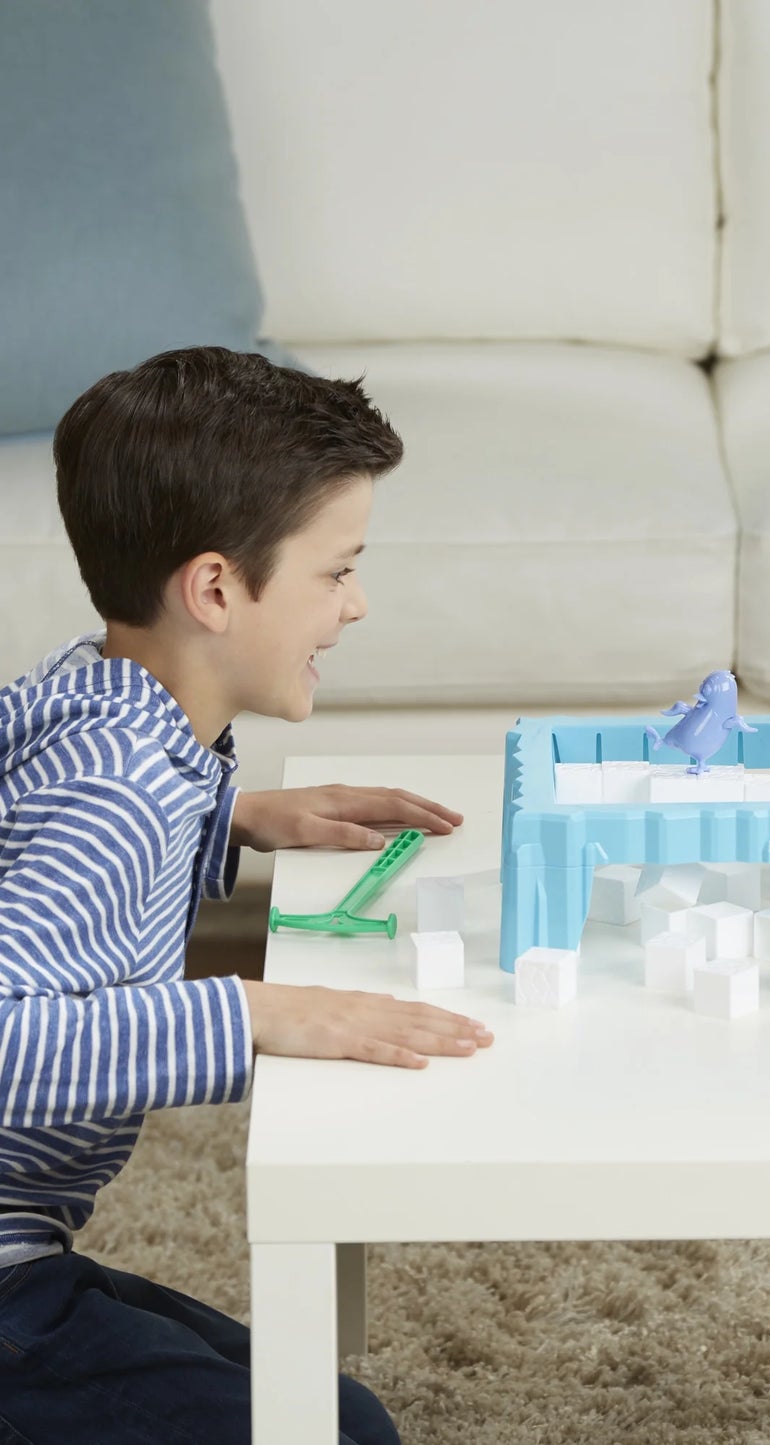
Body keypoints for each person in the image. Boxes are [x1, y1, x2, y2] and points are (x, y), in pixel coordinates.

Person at [0, 347, 496, 1444]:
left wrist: (228, 813)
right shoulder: (116, 790)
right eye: (336, 571)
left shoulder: (97, 697)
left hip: (26, 1251)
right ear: (217, 588)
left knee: (326, 1409)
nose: (356, 604)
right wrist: (253, 1012)